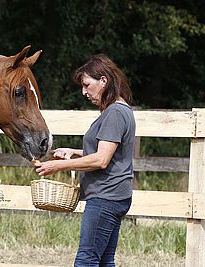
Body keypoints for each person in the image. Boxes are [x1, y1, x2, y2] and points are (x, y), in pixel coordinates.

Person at [35, 54, 135, 267]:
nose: (84, 92)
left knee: (86, 260)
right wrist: (75, 152)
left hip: (105, 196)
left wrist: (58, 165)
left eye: (87, 85)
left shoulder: (114, 113)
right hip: (115, 195)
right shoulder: (122, 109)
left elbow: (101, 160)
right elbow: (109, 151)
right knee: (104, 260)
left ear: (104, 81)